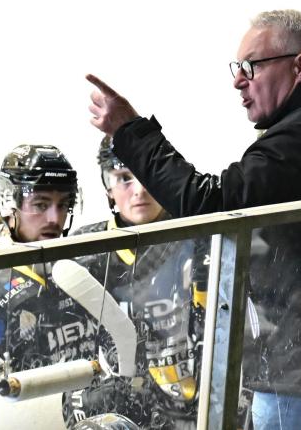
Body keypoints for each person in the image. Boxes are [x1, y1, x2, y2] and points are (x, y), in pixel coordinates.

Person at [87, 9, 301, 430]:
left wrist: (128, 131)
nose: (239, 80)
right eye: (238, 68)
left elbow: (209, 205)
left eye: (251, 66)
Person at [69, 136, 208, 429]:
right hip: (113, 414)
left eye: (147, 177)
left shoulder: (198, 238)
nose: (140, 191)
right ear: (108, 188)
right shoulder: (84, 250)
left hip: (191, 413)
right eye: (124, 179)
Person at [0, 144, 107, 430]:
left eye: (63, 204)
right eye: (41, 204)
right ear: (8, 203)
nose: (54, 218)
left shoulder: (86, 266)